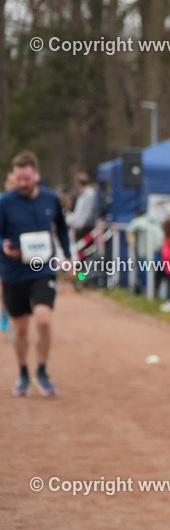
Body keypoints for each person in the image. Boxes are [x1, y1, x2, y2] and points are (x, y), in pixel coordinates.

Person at [0, 151, 71, 396]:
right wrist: (3, 247)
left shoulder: (51, 199)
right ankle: (22, 372)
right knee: (20, 328)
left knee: (43, 319)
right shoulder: (5, 202)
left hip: (43, 269)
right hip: (14, 272)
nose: (22, 183)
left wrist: (67, 257)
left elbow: (61, 228)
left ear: (36, 175)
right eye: (19, 179)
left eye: (27, 179)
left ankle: (42, 370)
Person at [65, 172, 99, 239]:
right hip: (80, 226)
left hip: (86, 228)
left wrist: (76, 224)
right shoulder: (82, 195)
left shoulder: (89, 195)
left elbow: (85, 214)